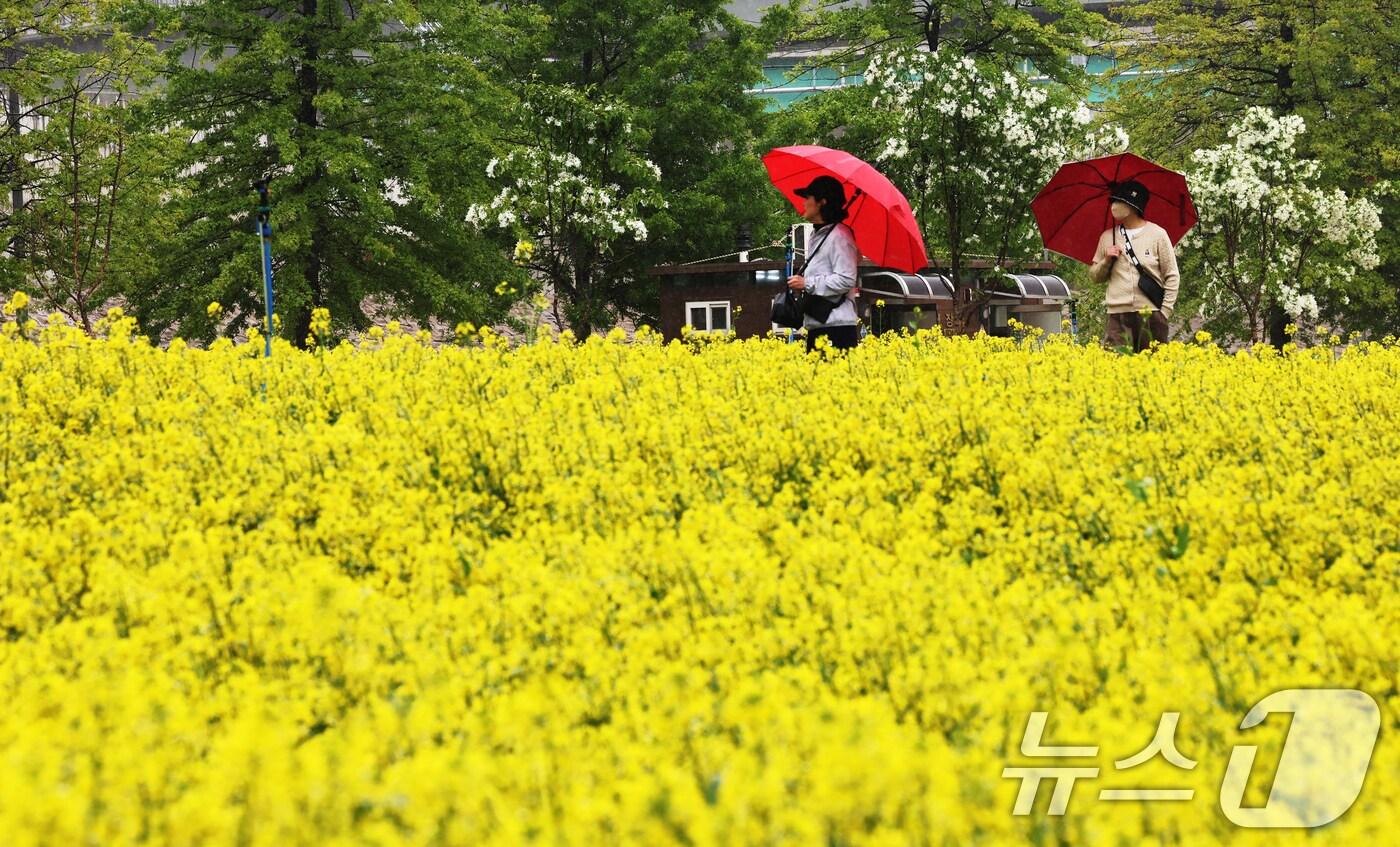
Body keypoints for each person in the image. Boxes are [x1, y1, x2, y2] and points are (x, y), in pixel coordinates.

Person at [1089, 180, 1180, 351]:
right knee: (1115, 369)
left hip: (1151, 314)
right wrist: (1106, 260)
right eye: (1113, 201)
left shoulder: (1158, 234)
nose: (1114, 206)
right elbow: (1095, 277)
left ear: (1133, 205)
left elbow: (1172, 275)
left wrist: (1164, 312)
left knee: (1155, 370)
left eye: (1119, 201)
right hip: (1117, 315)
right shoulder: (1107, 236)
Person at [787, 175, 860, 352]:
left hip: (837, 327)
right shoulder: (818, 235)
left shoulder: (839, 236)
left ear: (821, 202)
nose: (804, 203)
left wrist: (807, 283)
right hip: (818, 324)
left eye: (808, 198)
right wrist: (802, 286)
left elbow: (846, 279)